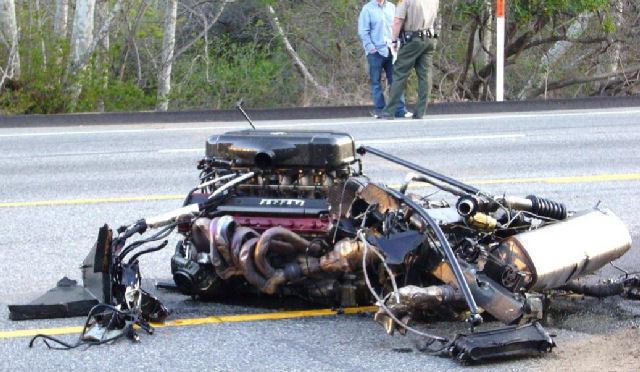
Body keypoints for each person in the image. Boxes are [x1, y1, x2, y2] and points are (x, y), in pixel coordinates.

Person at [378, 0, 440, 120]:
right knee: (425, 75)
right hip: (430, 37)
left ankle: (389, 111)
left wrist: (394, 40)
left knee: (400, 73)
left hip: (413, 39)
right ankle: (420, 112)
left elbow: (397, 21)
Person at [358, 0, 412, 119]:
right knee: (376, 82)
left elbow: (398, 26)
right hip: (375, 52)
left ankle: (399, 110)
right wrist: (370, 47)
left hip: (391, 50)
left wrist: (398, 43)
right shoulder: (367, 9)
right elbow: (363, 31)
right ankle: (380, 110)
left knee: (396, 80)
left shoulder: (392, 8)